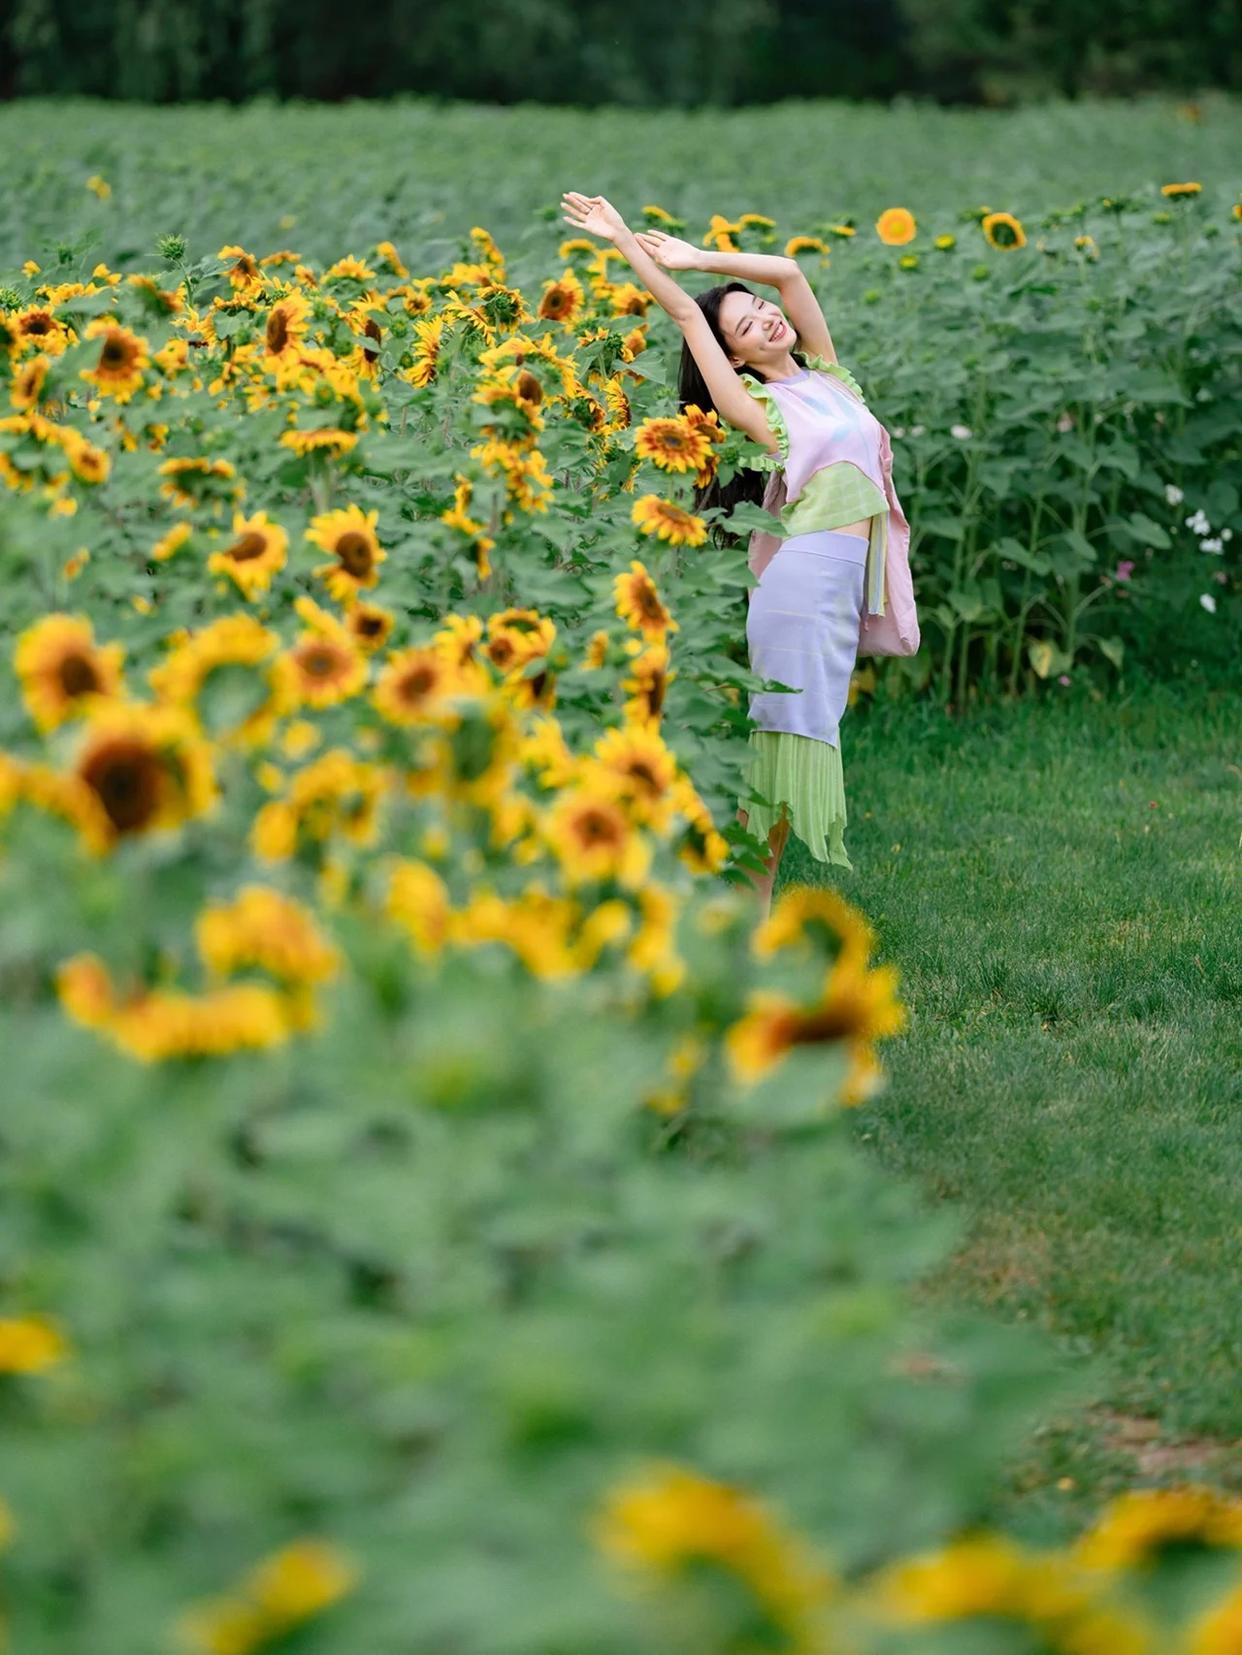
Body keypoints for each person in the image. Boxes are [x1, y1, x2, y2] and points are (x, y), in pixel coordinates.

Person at [560, 191, 905, 918]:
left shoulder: (829, 379)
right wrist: (624, 237)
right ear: (736, 358)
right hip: (802, 587)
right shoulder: (762, 410)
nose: (769, 318)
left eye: (761, 313)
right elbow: (688, 316)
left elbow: (789, 274)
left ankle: (733, 908)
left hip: (835, 591)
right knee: (784, 752)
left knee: (789, 753)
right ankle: (738, 914)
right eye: (747, 326)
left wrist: (700, 257)